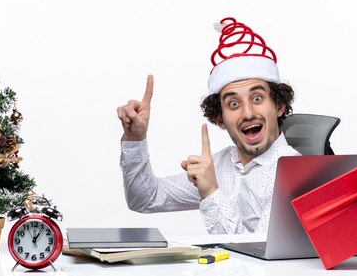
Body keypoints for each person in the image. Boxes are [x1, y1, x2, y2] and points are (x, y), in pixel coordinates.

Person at [117, 17, 300, 234]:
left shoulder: (295, 173)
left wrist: (211, 193)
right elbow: (145, 199)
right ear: (220, 119)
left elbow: (260, 252)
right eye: (233, 103)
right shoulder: (221, 166)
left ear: (279, 106)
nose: (248, 112)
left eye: (257, 98)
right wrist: (135, 139)